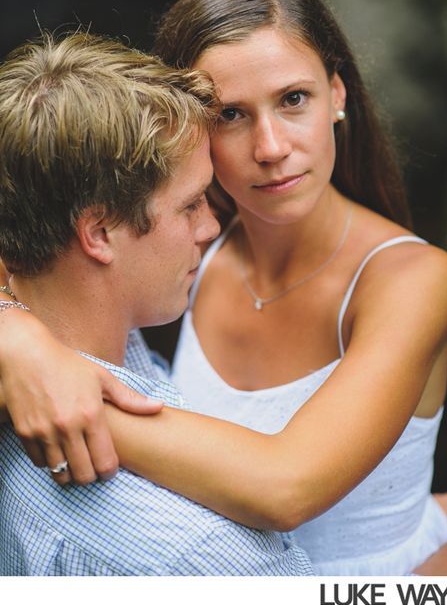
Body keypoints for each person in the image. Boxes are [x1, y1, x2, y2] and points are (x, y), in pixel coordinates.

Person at [0, 0, 447, 576]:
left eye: (294, 99)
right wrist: (16, 338)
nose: (270, 147)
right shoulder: (177, 243)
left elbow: (286, 487)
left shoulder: (414, 280)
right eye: (231, 115)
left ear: (337, 94)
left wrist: (62, 395)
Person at [0, 32, 313, 575]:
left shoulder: (48, 315)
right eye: (190, 206)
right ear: (98, 233)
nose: (212, 227)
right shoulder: (208, 556)